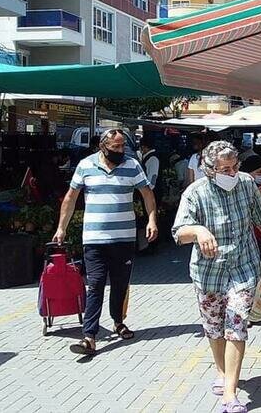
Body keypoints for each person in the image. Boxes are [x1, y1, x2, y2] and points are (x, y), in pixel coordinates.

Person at [172, 141, 261, 413]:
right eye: (223, 169)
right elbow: (179, 232)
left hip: (243, 267)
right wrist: (198, 231)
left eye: (234, 167)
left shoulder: (246, 184)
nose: (231, 173)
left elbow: (260, 215)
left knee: (237, 325)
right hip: (209, 272)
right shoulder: (195, 192)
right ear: (209, 169)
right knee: (214, 327)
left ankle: (230, 393)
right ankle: (221, 371)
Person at [53, 129, 158, 356]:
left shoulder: (132, 165)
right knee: (96, 284)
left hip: (124, 238)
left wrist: (152, 220)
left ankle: (118, 321)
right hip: (94, 238)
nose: (120, 151)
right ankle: (89, 336)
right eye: (115, 147)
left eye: (122, 147)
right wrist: (61, 228)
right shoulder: (85, 165)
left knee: (120, 283)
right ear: (103, 146)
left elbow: (147, 194)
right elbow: (70, 199)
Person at [139, 134, 162, 203]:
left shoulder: (152, 159)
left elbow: (152, 178)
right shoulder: (149, 157)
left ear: (144, 147)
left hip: (152, 193)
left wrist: (147, 192)